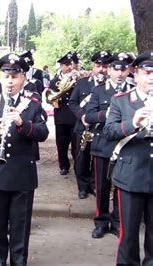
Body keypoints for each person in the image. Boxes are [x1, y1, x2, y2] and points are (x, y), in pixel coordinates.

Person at [0, 53, 49, 265]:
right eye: (6, 76)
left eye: (14, 77)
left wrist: (21, 123)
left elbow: (42, 133)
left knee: (20, 223)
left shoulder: (32, 105)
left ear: (23, 78)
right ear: (1, 78)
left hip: (22, 173)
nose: (9, 81)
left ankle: (18, 260)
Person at [103, 51, 153, 265]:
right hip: (131, 176)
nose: (151, 77)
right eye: (147, 72)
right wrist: (133, 122)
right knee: (128, 234)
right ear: (136, 74)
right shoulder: (121, 101)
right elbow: (109, 132)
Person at [85, 52, 133, 239]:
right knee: (102, 187)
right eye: (116, 69)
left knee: (121, 185)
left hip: (126, 145)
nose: (120, 73)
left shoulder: (133, 90)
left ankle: (118, 221)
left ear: (128, 70)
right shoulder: (98, 90)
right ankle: (101, 221)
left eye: (123, 69)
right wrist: (108, 114)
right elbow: (88, 116)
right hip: (103, 144)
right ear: (109, 70)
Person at [68, 51, 110, 199]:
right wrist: (82, 115)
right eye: (98, 65)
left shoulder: (110, 86)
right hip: (83, 127)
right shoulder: (82, 83)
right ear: (93, 66)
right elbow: (72, 102)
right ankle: (83, 187)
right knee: (81, 159)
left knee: (98, 160)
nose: (101, 69)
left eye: (105, 66)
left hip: (102, 129)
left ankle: (94, 185)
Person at [47, 52, 77, 176]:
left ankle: (78, 165)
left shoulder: (78, 80)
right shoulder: (55, 81)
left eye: (71, 64)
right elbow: (51, 98)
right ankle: (63, 165)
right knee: (61, 143)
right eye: (66, 64)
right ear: (61, 66)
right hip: (61, 115)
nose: (69, 67)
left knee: (76, 144)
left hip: (75, 116)